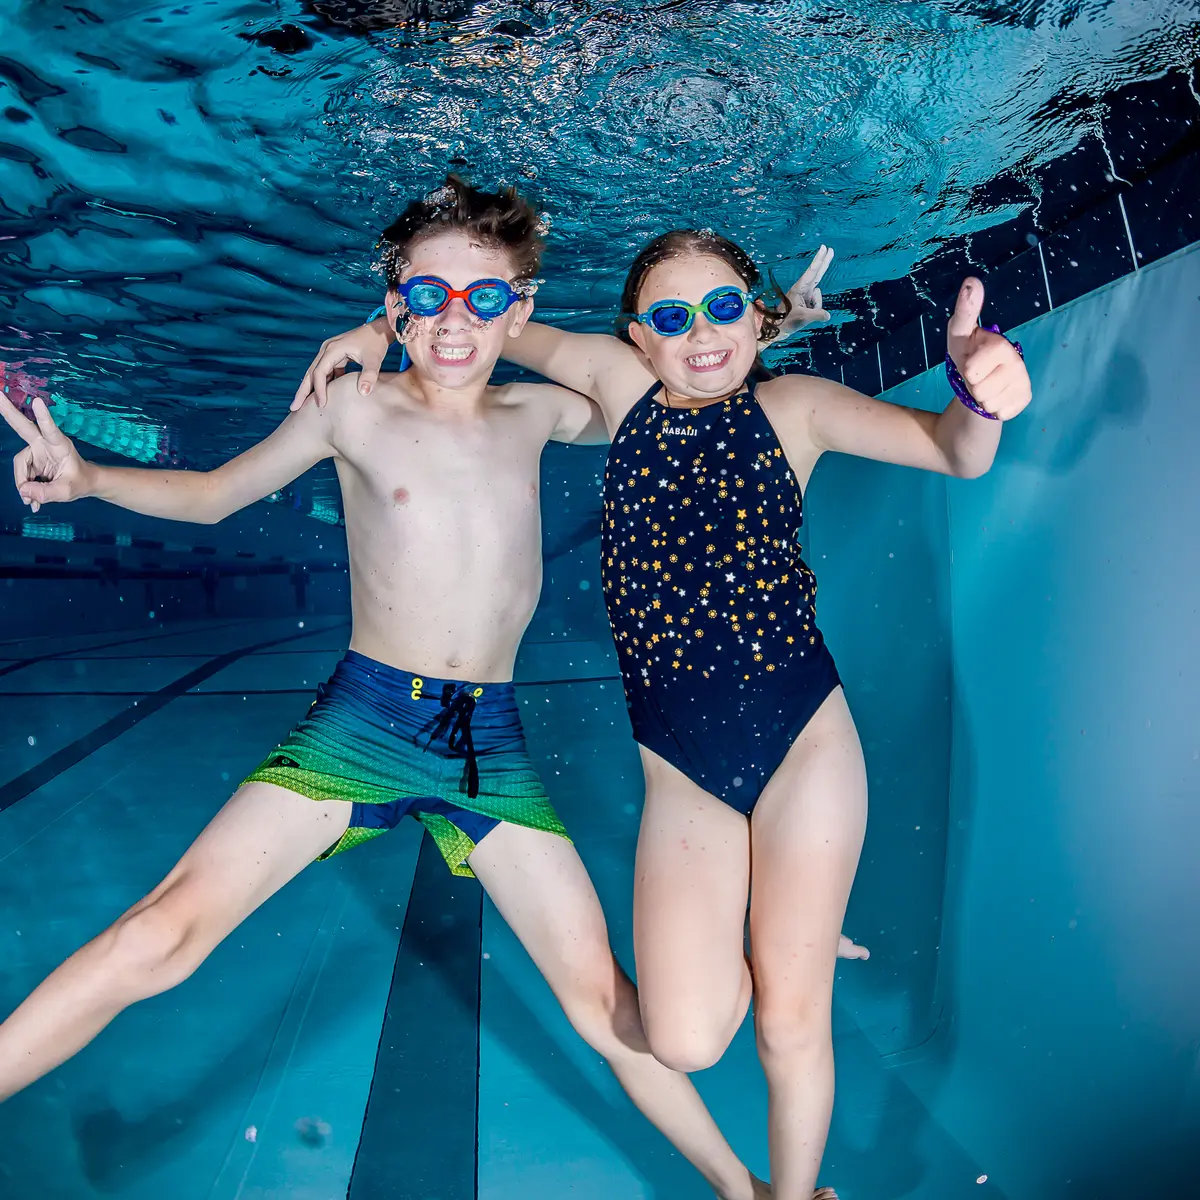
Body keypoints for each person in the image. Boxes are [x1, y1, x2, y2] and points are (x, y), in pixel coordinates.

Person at [0, 181, 801, 1200]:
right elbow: (211, 495)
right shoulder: (354, 410)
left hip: (489, 747)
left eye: (483, 298)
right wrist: (91, 478)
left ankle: (743, 1190)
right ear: (396, 306)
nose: (453, 320)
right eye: (427, 297)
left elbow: (662, 391)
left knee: (608, 1007)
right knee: (162, 935)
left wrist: (759, 333)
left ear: (520, 306)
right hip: (364, 721)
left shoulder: (540, 413)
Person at [296, 218, 1032, 1199]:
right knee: (683, 1037)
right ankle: (779, 921)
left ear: (757, 319)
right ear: (636, 336)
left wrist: (978, 397)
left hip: (805, 740)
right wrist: (367, 333)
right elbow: (482, 311)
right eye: (672, 317)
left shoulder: (797, 408)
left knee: (789, 1019)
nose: (702, 333)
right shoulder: (613, 380)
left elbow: (956, 454)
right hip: (683, 764)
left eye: (724, 307)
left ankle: (792, 1188)